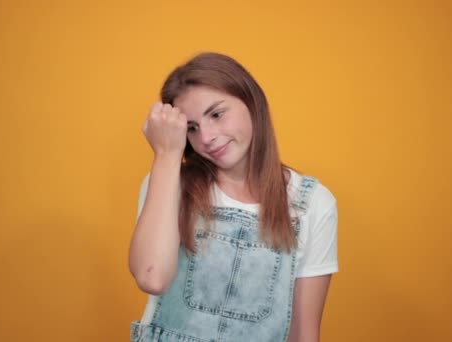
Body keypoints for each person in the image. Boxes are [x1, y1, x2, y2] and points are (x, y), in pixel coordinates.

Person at [128, 52, 338, 342]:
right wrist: (166, 154)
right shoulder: (167, 183)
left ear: (252, 102)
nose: (207, 137)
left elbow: (303, 334)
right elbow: (152, 276)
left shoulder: (312, 204)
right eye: (191, 128)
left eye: (216, 114)